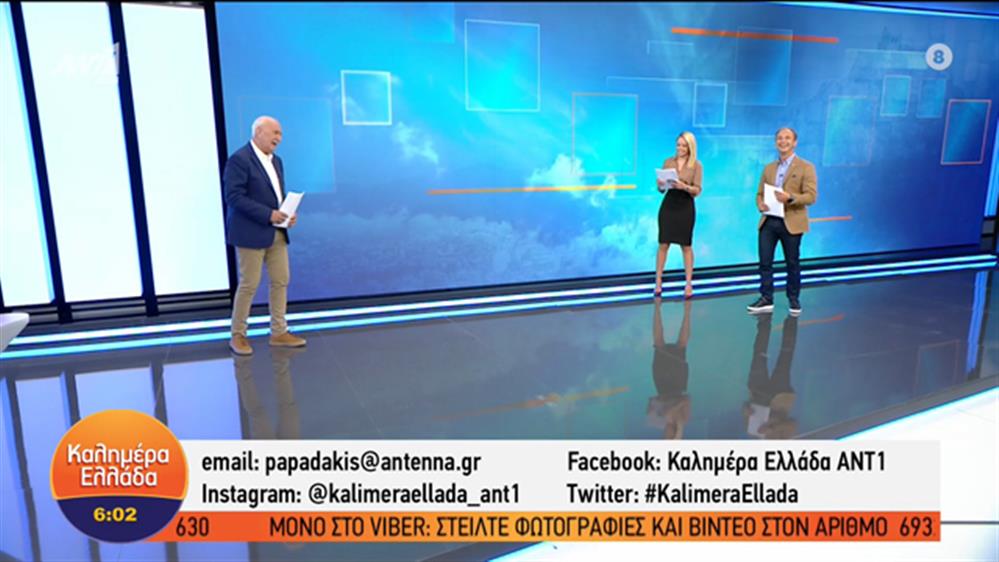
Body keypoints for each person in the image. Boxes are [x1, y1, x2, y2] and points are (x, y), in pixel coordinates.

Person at [226, 116, 306, 355]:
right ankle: (238, 335)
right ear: (258, 132)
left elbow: (275, 196)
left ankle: (279, 331)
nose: (279, 138)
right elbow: (234, 197)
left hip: (277, 233)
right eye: (275, 133)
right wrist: (268, 215)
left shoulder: (277, 161)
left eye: (280, 134)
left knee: (281, 280)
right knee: (249, 284)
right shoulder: (239, 160)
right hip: (250, 233)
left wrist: (286, 215)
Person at [747, 127, 817, 316]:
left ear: (795, 142)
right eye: (779, 138)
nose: (783, 141)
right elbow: (759, 193)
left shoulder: (806, 167)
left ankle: (793, 299)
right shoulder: (769, 168)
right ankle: (766, 298)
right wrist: (760, 203)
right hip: (769, 221)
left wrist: (790, 198)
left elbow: (811, 196)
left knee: (792, 263)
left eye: (787, 138)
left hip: (791, 221)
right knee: (765, 262)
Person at [655, 132, 702, 298]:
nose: (680, 148)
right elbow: (661, 190)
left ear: (690, 147)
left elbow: (697, 190)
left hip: (685, 206)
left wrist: (685, 187)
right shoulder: (668, 162)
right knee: (663, 244)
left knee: (686, 246)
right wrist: (661, 185)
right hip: (668, 205)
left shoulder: (696, 165)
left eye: (684, 145)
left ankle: (688, 283)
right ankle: (658, 281)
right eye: (678, 145)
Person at [743, 312, 798, 439]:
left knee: (759, 354)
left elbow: (745, 410)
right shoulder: (780, 441)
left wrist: (747, 411)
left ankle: (764, 319)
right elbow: (792, 425)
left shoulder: (753, 433)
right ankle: (792, 319)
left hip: (757, 393)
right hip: (780, 396)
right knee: (785, 355)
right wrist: (772, 428)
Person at [647, 297, 692, 439]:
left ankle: (657, 307)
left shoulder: (656, 422)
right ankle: (687, 310)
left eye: (665, 436)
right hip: (678, 383)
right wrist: (672, 409)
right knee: (682, 345)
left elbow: (650, 403)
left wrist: (669, 408)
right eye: (669, 436)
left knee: (658, 344)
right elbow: (687, 399)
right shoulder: (683, 418)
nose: (666, 434)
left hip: (661, 383)